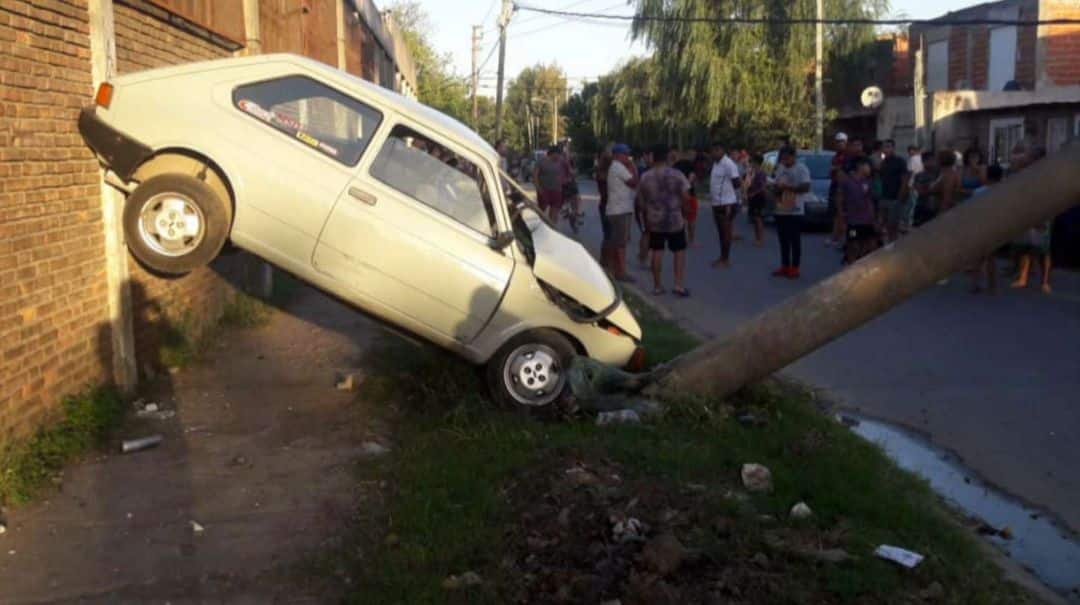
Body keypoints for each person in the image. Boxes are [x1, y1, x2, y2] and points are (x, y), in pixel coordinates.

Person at [638, 144, 691, 296]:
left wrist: (645, 216)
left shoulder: (645, 177)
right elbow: (686, 197)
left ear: (653, 158)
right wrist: (685, 213)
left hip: (654, 221)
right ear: (668, 157)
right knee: (679, 251)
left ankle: (657, 286)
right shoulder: (677, 175)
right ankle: (678, 285)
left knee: (657, 251)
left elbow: (641, 202)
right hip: (675, 219)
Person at [1008, 144, 1053, 294]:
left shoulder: (1047, 174)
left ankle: (1045, 281)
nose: (1028, 158)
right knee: (1026, 248)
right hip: (1027, 213)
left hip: (1042, 213)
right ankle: (1023, 278)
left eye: (1031, 156)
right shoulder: (1027, 171)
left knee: (1043, 251)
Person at [771, 146, 811, 278]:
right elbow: (776, 185)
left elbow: (806, 187)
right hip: (781, 208)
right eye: (782, 158)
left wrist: (788, 187)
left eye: (787, 158)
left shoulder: (801, 169)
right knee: (783, 240)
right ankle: (784, 266)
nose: (784, 160)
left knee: (794, 240)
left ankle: (795, 267)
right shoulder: (780, 168)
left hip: (795, 209)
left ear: (794, 156)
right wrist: (775, 188)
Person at [968, 164, 1003, 294]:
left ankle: (974, 284)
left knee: (978, 257)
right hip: (995, 227)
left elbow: (972, 210)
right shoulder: (1003, 192)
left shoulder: (978, 192)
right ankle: (992, 286)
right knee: (991, 258)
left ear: (987, 176)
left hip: (979, 226)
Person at [605, 143, 638, 282]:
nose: (628, 157)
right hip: (620, 210)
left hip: (618, 209)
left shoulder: (617, 167)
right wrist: (633, 167)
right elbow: (634, 182)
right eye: (626, 154)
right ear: (618, 155)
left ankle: (613, 269)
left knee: (616, 241)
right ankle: (621, 272)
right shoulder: (619, 167)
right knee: (621, 243)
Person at [709, 141, 741, 268]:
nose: (712, 153)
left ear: (720, 150)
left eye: (714, 151)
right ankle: (722, 257)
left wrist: (736, 201)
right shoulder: (716, 164)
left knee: (726, 232)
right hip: (716, 203)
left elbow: (737, 183)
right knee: (721, 233)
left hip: (726, 204)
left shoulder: (728, 164)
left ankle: (725, 259)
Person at [841, 157, 878, 263]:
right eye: (867, 166)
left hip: (867, 222)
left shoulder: (869, 182)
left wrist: (874, 219)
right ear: (860, 167)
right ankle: (851, 263)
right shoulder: (848, 181)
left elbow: (870, 201)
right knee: (853, 244)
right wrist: (842, 216)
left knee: (871, 245)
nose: (869, 169)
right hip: (853, 223)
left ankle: (862, 264)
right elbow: (840, 198)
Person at [876, 139, 910, 243]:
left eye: (888, 146)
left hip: (894, 199)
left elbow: (905, 181)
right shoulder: (883, 163)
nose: (886, 149)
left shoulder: (900, 161)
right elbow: (879, 178)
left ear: (893, 148)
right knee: (880, 224)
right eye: (884, 147)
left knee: (892, 227)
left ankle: (893, 248)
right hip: (883, 198)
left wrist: (899, 198)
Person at [826, 132, 849, 248]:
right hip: (836, 185)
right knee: (837, 213)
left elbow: (846, 170)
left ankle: (845, 239)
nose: (839, 145)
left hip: (844, 188)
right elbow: (831, 171)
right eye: (837, 142)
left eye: (841, 142)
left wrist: (836, 168)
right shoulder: (836, 156)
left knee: (843, 214)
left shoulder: (848, 156)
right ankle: (836, 237)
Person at [673, 151, 700, 246]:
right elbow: (692, 178)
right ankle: (691, 240)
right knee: (691, 219)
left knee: (681, 218)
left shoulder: (675, 165)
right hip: (690, 194)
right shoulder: (691, 165)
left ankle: (681, 239)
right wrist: (689, 184)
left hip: (677, 195)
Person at [533, 146, 564, 223]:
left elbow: (564, 173)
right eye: (558, 154)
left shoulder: (560, 162)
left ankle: (552, 228)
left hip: (557, 190)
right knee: (541, 210)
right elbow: (535, 176)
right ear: (553, 153)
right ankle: (539, 225)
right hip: (544, 190)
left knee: (555, 211)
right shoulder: (541, 161)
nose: (559, 156)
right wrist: (538, 188)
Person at [595, 144, 614, 269]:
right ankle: (605, 263)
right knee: (609, 235)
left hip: (607, 204)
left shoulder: (607, 168)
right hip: (607, 204)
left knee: (610, 235)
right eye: (609, 151)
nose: (611, 154)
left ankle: (606, 262)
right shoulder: (603, 169)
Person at [745, 153, 768, 246]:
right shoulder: (753, 172)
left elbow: (763, 187)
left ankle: (761, 239)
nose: (751, 163)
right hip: (752, 197)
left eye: (752, 161)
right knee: (754, 218)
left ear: (756, 162)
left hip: (758, 197)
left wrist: (754, 193)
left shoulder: (760, 173)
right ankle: (756, 238)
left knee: (758, 219)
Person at [912, 150, 939, 227]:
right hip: (921, 207)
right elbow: (919, 190)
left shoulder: (939, 174)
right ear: (923, 161)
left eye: (933, 160)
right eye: (928, 160)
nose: (931, 162)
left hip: (935, 207)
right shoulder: (919, 175)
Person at [558, 143, 582, 225]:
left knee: (566, 199)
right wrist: (576, 172)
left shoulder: (559, 159)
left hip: (561, 183)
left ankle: (566, 209)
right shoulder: (565, 160)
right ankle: (577, 214)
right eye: (568, 151)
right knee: (577, 198)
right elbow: (571, 172)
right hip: (568, 182)